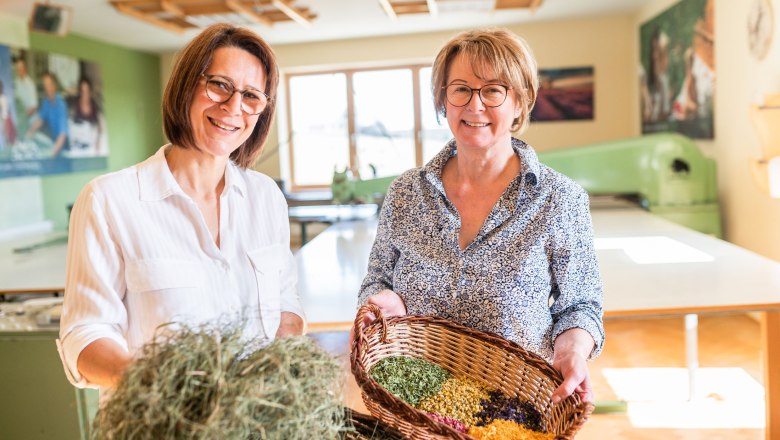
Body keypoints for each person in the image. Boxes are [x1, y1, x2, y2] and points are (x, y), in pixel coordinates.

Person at [358, 28, 604, 405]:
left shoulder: (560, 199)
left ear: (520, 102)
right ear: (443, 100)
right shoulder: (406, 193)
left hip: (515, 408)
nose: (475, 105)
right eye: (461, 89)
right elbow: (376, 280)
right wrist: (380, 301)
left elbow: (581, 306)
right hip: (412, 402)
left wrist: (572, 349)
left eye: (493, 90)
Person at [57, 23, 304, 391]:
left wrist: (278, 369)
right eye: (219, 84)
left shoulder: (266, 197)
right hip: (160, 417)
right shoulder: (108, 200)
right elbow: (85, 332)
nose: (233, 107)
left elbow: (285, 303)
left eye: (251, 96)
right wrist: (162, 391)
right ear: (187, 85)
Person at [27, 71, 69, 156]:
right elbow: (40, 120)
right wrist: (29, 132)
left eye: (49, 85)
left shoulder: (61, 104)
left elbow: (63, 134)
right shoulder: (46, 102)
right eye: (45, 86)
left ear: (54, 86)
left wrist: (52, 152)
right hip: (54, 141)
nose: (47, 88)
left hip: (63, 144)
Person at [67, 75, 104, 155]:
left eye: (87, 91)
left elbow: (100, 126)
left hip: (90, 144)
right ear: (80, 91)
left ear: (90, 91)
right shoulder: (74, 104)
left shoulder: (94, 105)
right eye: (83, 91)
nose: (85, 94)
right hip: (77, 143)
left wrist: (98, 140)